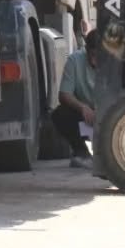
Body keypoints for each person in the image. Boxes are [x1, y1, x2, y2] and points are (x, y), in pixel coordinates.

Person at [51, 28, 99, 168]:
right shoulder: (75, 60)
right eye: (93, 55)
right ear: (87, 50)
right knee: (60, 114)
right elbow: (64, 95)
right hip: (87, 117)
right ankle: (81, 152)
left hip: (109, 115)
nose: (96, 62)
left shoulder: (116, 63)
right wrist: (83, 107)